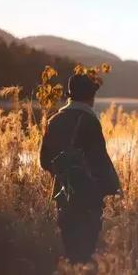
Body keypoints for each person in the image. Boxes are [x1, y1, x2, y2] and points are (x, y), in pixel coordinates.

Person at [39, 73, 121, 264]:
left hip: (63, 196)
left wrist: (64, 174)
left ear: (70, 95)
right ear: (90, 97)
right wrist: (114, 189)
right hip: (88, 199)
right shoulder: (90, 121)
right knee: (86, 252)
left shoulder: (54, 120)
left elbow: (44, 161)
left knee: (69, 251)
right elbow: (100, 161)